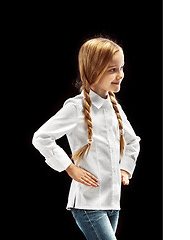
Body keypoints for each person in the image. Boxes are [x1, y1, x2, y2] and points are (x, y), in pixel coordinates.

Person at [32, 37, 140, 240]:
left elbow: (134, 141)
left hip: (112, 204)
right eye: (112, 70)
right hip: (88, 205)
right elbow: (41, 137)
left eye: (122, 68)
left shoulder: (114, 107)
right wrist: (69, 168)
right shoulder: (76, 107)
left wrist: (125, 168)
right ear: (93, 70)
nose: (120, 75)